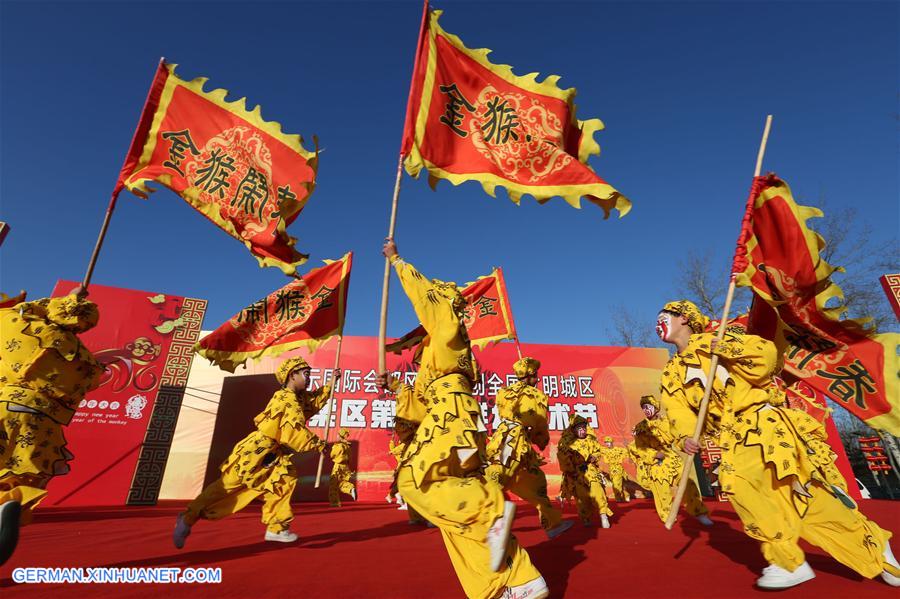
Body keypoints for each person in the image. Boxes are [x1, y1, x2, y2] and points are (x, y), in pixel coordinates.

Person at [657, 299, 899, 589]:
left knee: (803, 498)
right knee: (745, 492)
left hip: (763, 426)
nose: (658, 322)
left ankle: (872, 545)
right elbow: (677, 410)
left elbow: (767, 358)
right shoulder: (671, 372)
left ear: (684, 318)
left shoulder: (719, 339)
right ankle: (788, 561)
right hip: (731, 439)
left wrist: (725, 348)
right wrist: (686, 436)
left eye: (664, 315)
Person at [382, 238, 546, 599]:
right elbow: (423, 407)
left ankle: (491, 510)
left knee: (415, 482)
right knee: (454, 517)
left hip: (452, 421)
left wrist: (397, 262)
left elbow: (425, 298)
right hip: (454, 423)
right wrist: (396, 387)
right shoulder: (440, 346)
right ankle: (516, 581)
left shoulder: (445, 322)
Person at [173, 357, 337, 547]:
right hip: (256, 452)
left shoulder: (297, 399)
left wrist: (331, 383)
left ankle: (276, 528)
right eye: (306, 374)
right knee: (225, 488)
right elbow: (293, 430)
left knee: (284, 480)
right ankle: (187, 517)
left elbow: (312, 403)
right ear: (292, 375)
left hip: (273, 455)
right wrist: (318, 444)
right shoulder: (285, 399)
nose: (309, 379)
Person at [0, 287, 103, 565]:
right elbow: (89, 386)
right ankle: (9, 503)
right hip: (45, 422)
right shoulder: (87, 361)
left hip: (5, 406)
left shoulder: (17, 325)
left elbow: (14, 309)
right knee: (22, 473)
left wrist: (62, 300)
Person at [486, 356, 572, 539]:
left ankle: (553, 523)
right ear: (530, 375)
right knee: (495, 479)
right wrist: (541, 440)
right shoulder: (536, 396)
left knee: (535, 482)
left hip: (508, 440)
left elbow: (503, 414)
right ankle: (486, 525)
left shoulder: (503, 392)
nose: (538, 379)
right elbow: (540, 423)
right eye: (536, 376)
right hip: (513, 444)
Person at [630, 395, 712, 526]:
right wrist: (655, 454)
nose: (646, 410)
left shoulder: (667, 421)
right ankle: (668, 517)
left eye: (648, 406)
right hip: (656, 463)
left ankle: (699, 512)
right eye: (643, 408)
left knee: (688, 483)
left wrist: (685, 443)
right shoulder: (641, 427)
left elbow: (677, 438)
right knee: (661, 491)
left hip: (672, 458)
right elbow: (640, 448)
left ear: (655, 407)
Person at [557, 416, 612, 528]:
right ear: (574, 429)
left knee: (598, 492)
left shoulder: (590, 440)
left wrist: (594, 456)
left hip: (591, 471)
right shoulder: (567, 442)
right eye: (579, 428)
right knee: (582, 498)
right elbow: (562, 457)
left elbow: (598, 451)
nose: (582, 431)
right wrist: (571, 467)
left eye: (584, 428)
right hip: (577, 474)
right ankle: (586, 518)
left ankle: (603, 515)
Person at [598, 435, 632, 502]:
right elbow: (597, 448)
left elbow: (627, 452)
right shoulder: (605, 450)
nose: (607, 444)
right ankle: (626, 495)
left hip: (618, 469)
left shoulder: (618, 449)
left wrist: (627, 445)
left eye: (609, 442)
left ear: (612, 442)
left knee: (616, 484)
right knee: (618, 484)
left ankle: (618, 498)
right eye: (606, 442)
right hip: (611, 470)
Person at [328, 428, 357, 507]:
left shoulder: (338, 446)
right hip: (346, 467)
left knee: (333, 485)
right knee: (341, 483)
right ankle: (350, 489)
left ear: (339, 435)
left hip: (338, 466)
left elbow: (332, 455)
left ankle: (335, 503)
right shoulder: (347, 446)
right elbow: (350, 458)